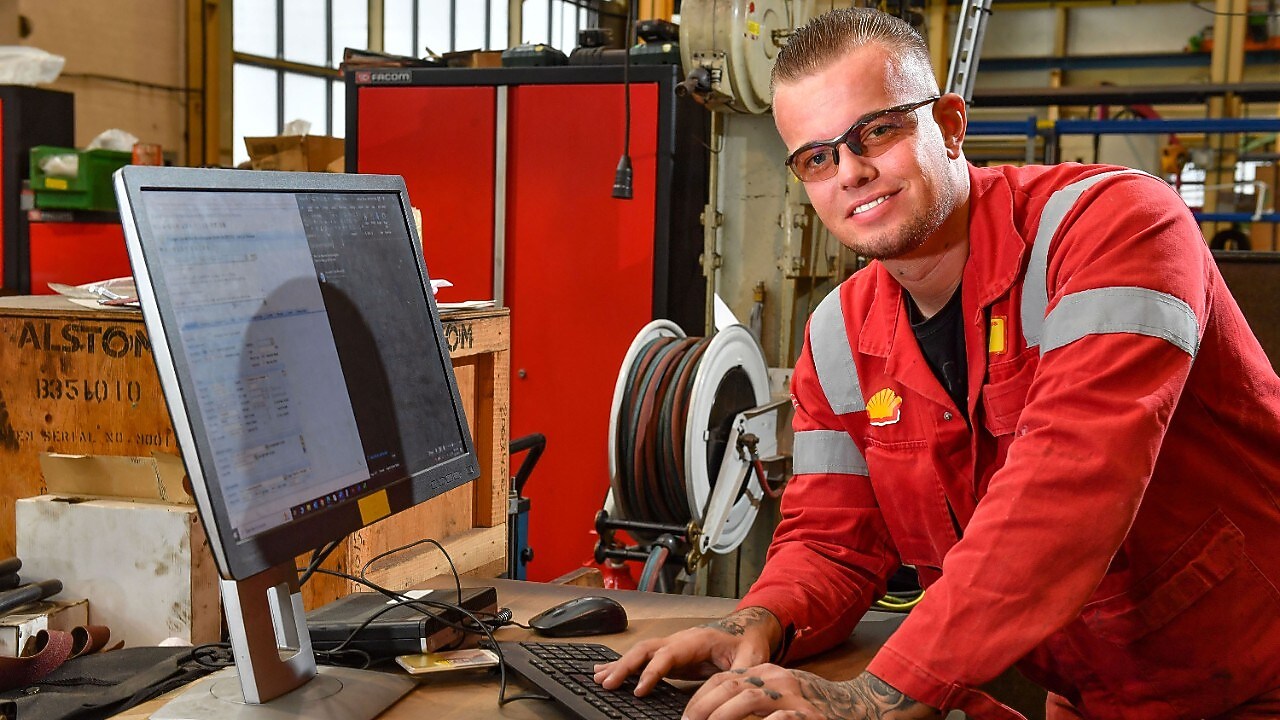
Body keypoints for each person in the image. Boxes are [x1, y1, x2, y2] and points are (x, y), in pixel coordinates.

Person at [593, 7, 1280, 720]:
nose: (851, 173)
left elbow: (1067, 492)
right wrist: (753, 625)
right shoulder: (837, 337)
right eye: (817, 159)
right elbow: (833, 542)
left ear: (951, 125)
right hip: (1092, 695)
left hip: (1255, 682)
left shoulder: (1115, 229)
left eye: (876, 132)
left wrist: (873, 699)